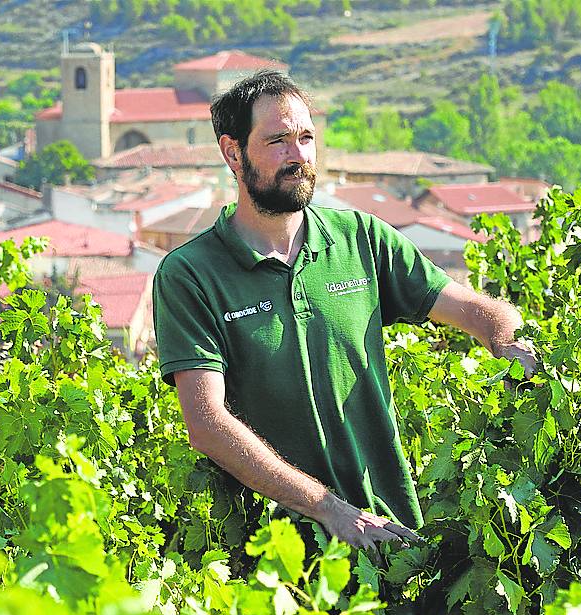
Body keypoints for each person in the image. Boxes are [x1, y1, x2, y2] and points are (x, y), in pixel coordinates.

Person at [152, 70, 537, 553]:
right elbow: (206, 423)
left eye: (306, 138)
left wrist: (506, 339)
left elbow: (477, 311)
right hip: (280, 562)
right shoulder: (190, 275)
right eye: (277, 141)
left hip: (395, 537)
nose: (298, 156)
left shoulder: (361, 239)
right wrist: (329, 508)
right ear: (232, 152)